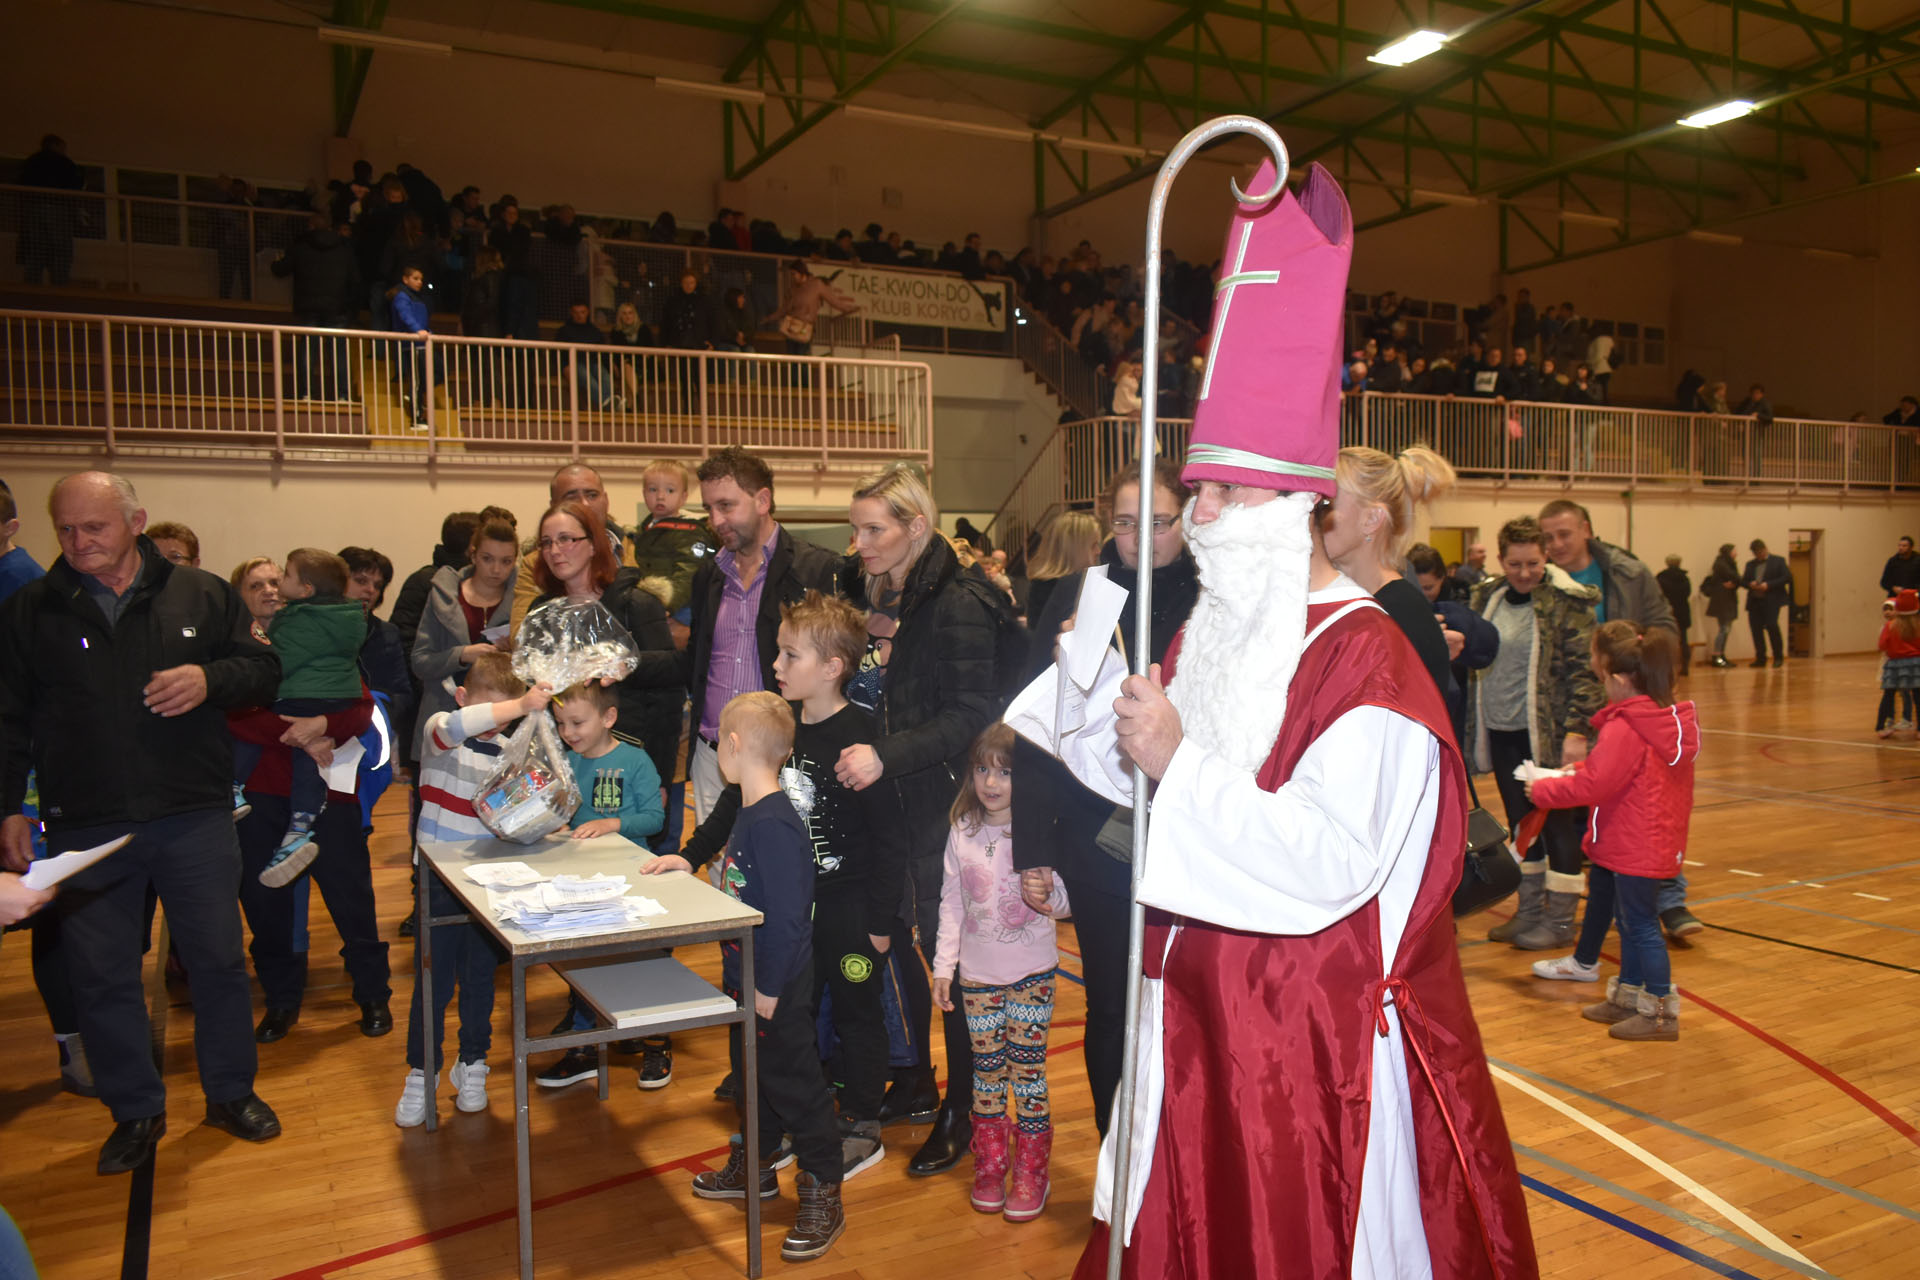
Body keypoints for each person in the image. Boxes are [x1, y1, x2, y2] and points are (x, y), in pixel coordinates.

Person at [1072, 160, 1535, 1279]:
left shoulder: (1366, 661)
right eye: (1200, 494)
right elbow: (1152, 792)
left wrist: (1180, 764)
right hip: (1190, 1019)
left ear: (1289, 510)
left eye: (1222, 497)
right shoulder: (1211, 631)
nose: (1204, 517)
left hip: (1305, 1051)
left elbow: (1331, 861)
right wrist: (1095, 724)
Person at [1, 472, 285, 1175]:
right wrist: (9, 805)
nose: (78, 542)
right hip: (84, 826)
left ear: (135, 521)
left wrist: (208, 681)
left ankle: (229, 1093)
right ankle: (134, 1110)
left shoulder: (202, 592)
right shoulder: (32, 609)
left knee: (217, 961)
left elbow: (262, 670)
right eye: (65, 529)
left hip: (192, 813)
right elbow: (8, 717)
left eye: (93, 527)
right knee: (101, 975)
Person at [657, 591, 905, 1178]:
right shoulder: (779, 731)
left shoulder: (862, 738)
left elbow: (890, 836)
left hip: (849, 908)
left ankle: (864, 1119)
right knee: (795, 1019)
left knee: (856, 1011)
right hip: (795, 912)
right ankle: (802, 1113)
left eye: (790, 655)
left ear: (832, 668)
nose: (776, 665)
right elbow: (730, 806)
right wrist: (687, 856)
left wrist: (878, 922)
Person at [1013, 459, 1198, 1142]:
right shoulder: (1078, 599)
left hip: (1192, 833)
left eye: (1157, 522)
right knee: (1113, 1008)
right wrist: (1033, 847)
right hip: (1097, 839)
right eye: (1126, 523)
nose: (1141, 538)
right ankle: (1116, 1161)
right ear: (1106, 526)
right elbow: (1034, 730)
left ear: (1186, 520)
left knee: (1184, 1002)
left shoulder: (1215, 600)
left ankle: (1178, 1157)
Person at [836, 463, 1009, 1177]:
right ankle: (933, 1088)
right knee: (925, 952)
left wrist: (885, 753)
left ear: (916, 526)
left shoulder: (958, 601)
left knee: (957, 965)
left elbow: (971, 715)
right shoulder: (902, 594)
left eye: (873, 529)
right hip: (911, 803)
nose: (859, 544)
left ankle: (964, 1109)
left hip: (946, 807)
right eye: (855, 529)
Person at [684, 691, 847, 1263]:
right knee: (751, 1080)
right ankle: (753, 1166)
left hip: (773, 983)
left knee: (797, 1088)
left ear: (730, 746)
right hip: (746, 975)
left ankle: (824, 1188)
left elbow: (789, 922)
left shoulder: (774, 824)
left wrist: (769, 991)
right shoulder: (750, 812)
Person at [394, 654, 551, 1127]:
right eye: (492, 711)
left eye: (508, 712)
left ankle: (474, 1064)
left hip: (486, 888)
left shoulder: (509, 754)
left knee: (480, 980)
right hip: (437, 884)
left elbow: (516, 822)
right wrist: (521, 703)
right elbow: (459, 726)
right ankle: (422, 1074)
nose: (497, 722)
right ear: (463, 699)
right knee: (434, 983)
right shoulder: (442, 732)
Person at [1527, 621, 1697, 1042]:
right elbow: (1616, 773)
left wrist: (1544, 789)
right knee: (1631, 922)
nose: (1601, 683)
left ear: (1621, 679)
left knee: (1639, 925)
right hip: (1649, 838)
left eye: (1602, 676)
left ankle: (1659, 1013)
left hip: (1636, 842)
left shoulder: (1625, 726)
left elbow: (1596, 786)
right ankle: (1628, 997)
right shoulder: (1656, 720)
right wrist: (1578, 768)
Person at [932, 723, 1067, 1222]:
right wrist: (945, 965)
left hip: (1032, 974)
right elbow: (950, 902)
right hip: (978, 981)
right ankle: (990, 1164)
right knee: (987, 1077)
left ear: (1025, 780)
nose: (991, 781)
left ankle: (1032, 1172)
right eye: (983, 769)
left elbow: (1066, 897)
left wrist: (1051, 893)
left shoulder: (1040, 830)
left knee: (1027, 1075)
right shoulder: (962, 829)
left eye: (1005, 772)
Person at [1467, 516, 1603, 951]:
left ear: (1545, 557)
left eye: (1533, 563)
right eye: (1514, 564)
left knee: (1559, 827)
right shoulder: (1488, 596)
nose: (1524, 573)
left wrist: (1577, 731)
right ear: (1501, 559)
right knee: (1520, 824)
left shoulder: (1566, 602)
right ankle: (1527, 913)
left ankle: (1560, 922)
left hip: (1547, 736)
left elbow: (1586, 673)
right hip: (1502, 731)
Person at [686, 447, 841, 829]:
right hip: (715, 753)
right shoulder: (709, 574)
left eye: (726, 505)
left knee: (783, 867)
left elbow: (838, 669)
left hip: (783, 755)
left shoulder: (816, 568)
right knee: (723, 874)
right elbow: (695, 659)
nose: (716, 520)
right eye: (709, 509)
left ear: (763, 500)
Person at [532, 680, 667, 1087]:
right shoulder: (565, 761)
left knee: (641, 962)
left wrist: (614, 824)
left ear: (609, 718)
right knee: (584, 960)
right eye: (560, 724)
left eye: (577, 722)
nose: (568, 732)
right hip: (583, 880)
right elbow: (560, 812)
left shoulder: (636, 761)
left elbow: (655, 819)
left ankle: (656, 1043)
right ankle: (585, 1046)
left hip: (631, 880)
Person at [230, 548, 367, 885]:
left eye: (277, 581)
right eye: (255, 586)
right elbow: (235, 714)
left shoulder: (302, 626)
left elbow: (362, 711)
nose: (270, 590)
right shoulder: (237, 644)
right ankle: (296, 830)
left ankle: (241, 795)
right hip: (263, 791)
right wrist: (303, 736)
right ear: (238, 597)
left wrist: (321, 726)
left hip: (324, 784)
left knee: (348, 892)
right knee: (267, 905)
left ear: (303, 590)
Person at [1323, 446, 1457, 700]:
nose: (1313, 514)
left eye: (1327, 503)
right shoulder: (1350, 599)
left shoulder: (1401, 617)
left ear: (1372, 519)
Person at [410, 518, 517, 765]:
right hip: (444, 717)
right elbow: (420, 662)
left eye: (506, 561)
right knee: (434, 799)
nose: (496, 570)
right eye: (487, 558)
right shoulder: (444, 595)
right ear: (473, 555)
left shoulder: (522, 601)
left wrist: (511, 655)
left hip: (501, 726)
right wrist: (462, 654)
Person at [509, 465, 637, 635]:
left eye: (592, 495)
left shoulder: (640, 550)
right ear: (554, 505)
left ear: (605, 500)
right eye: (572, 496)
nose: (585, 503)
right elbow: (522, 636)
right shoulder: (535, 564)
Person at [273, 211, 362, 402]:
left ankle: (306, 393)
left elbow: (281, 270)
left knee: (307, 350)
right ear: (330, 227)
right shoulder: (344, 248)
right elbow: (355, 280)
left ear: (311, 226)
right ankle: (342, 395)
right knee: (339, 351)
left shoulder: (300, 247)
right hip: (337, 305)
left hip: (308, 305)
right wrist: (350, 306)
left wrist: (277, 260)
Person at [629, 459, 707, 622]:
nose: (660, 496)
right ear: (644, 493)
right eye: (652, 489)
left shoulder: (690, 532)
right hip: (651, 602)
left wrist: (669, 604)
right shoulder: (645, 529)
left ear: (683, 497)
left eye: (670, 490)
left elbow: (689, 574)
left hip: (681, 606)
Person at [1021, 509, 1102, 625]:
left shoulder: (1078, 582)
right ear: (1075, 549)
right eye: (1093, 545)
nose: (1098, 551)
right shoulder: (1049, 589)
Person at [387, 264, 433, 428]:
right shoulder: (402, 296)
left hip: (420, 343)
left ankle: (416, 405)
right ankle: (417, 417)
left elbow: (422, 321)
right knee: (417, 382)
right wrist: (418, 331)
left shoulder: (416, 297)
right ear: (405, 279)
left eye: (421, 279)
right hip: (411, 344)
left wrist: (429, 333)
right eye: (415, 278)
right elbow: (405, 315)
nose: (419, 282)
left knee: (431, 376)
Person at [1876, 590, 1920, 737]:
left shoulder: (1890, 626)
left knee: (1888, 695)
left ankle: (1882, 727)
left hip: (1894, 664)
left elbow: (1882, 645)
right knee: (1918, 696)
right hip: (1915, 664)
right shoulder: (1917, 626)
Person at [1741, 538, 1790, 668]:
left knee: (1772, 626)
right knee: (1756, 630)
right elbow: (1744, 581)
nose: (1759, 555)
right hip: (1755, 601)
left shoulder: (1778, 561)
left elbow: (1786, 577)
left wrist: (1768, 585)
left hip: (1771, 601)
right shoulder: (1750, 565)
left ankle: (1778, 657)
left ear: (1765, 549)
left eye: (1760, 552)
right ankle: (1761, 658)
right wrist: (1749, 584)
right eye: (1756, 554)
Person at [1701, 542, 1741, 669]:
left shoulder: (1724, 563)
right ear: (1729, 552)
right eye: (1734, 551)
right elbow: (1737, 577)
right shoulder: (1722, 564)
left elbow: (1737, 580)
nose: (1736, 554)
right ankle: (1717, 655)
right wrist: (1735, 582)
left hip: (1725, 600)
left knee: (1725, 629)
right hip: (1723, 601)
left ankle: (1721, 655)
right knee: (1724, 629)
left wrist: (1734, 583)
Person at [1656, 554, 1694, 675]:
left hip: (1667, 611)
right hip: (1682, 610)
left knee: (1665, 640)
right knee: (1683, 640)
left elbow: (1658, 595)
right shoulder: (1684, 578)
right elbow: (1687, 593)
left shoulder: (1661, 577)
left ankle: (1666, 668)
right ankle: (1685, 667)